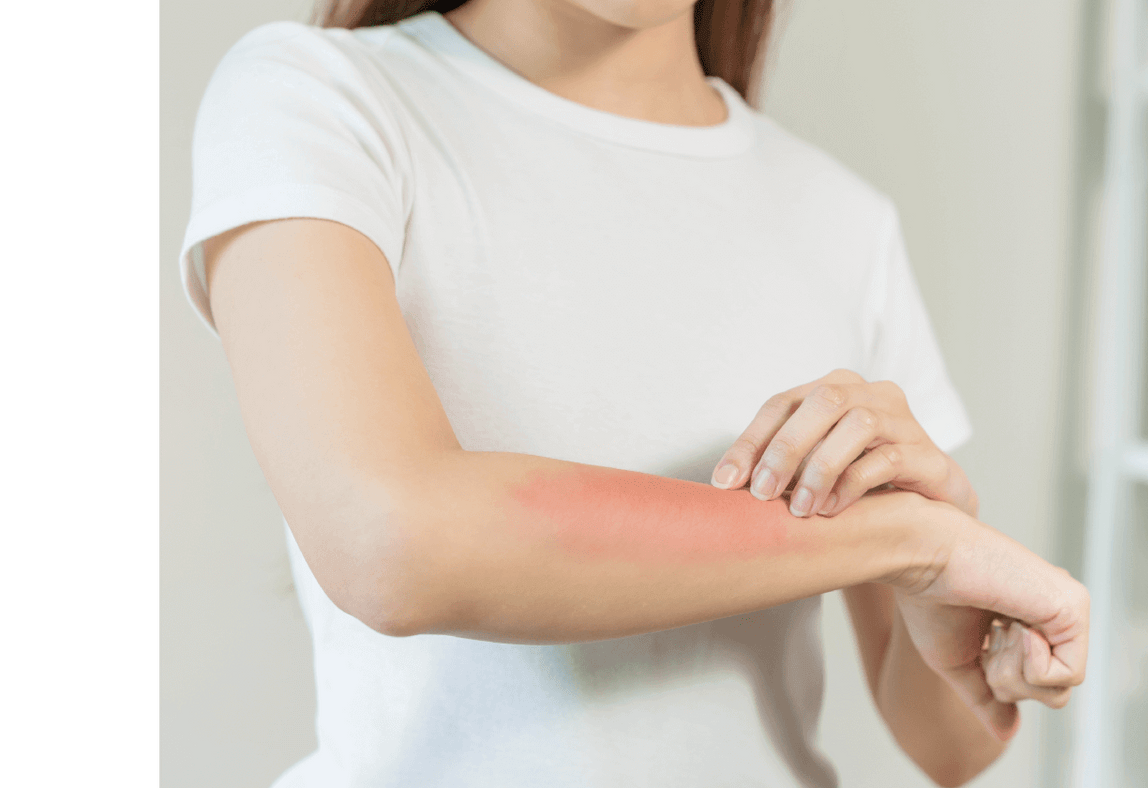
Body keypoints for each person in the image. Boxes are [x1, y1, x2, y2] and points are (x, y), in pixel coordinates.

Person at [177, 0, 1089, 785]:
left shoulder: (844, 219)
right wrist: (912, 539)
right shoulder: (321, 96)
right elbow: (390, 541)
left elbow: (950, 746)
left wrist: (952, 576)